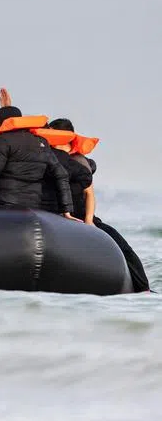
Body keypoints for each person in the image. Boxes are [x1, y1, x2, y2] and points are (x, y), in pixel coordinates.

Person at [42, 120, 150, 292]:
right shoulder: (48, 160)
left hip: (82, 215)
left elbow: (89, 194)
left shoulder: (79, 161)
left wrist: (89, 220)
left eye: (52, 134)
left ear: (63, 136)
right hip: (57, 215)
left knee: (124, 247)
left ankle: (143, 288)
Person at [0, 106, 72, 215]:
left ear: (6, 121)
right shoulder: (41, 142)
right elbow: (61, 174)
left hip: (2, 204)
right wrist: (66, 209)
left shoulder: (2, 141)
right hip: (33, 207)